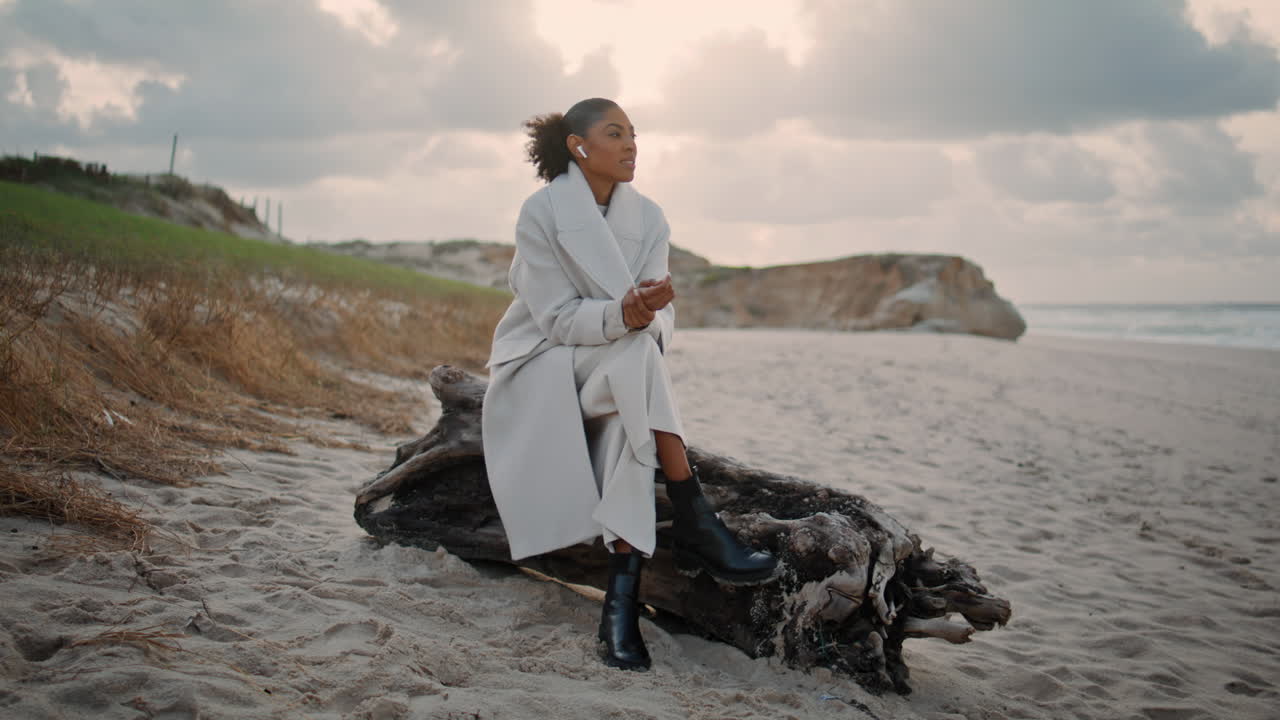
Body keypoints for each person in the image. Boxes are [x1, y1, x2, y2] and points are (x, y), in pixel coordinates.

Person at [481, 98, 780, 671]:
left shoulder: (649, 219)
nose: (631, 144)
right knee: (634, 354)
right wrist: (626, 313)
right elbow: (557, 321)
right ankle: (695, 517)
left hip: (619, 369)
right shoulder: (540, 213)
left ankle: (619, 609)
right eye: (615, 133)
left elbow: (661, 319)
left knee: (629, 405)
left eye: (635, 134)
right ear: (579, 145)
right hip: (547, 365)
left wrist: (643, 316)